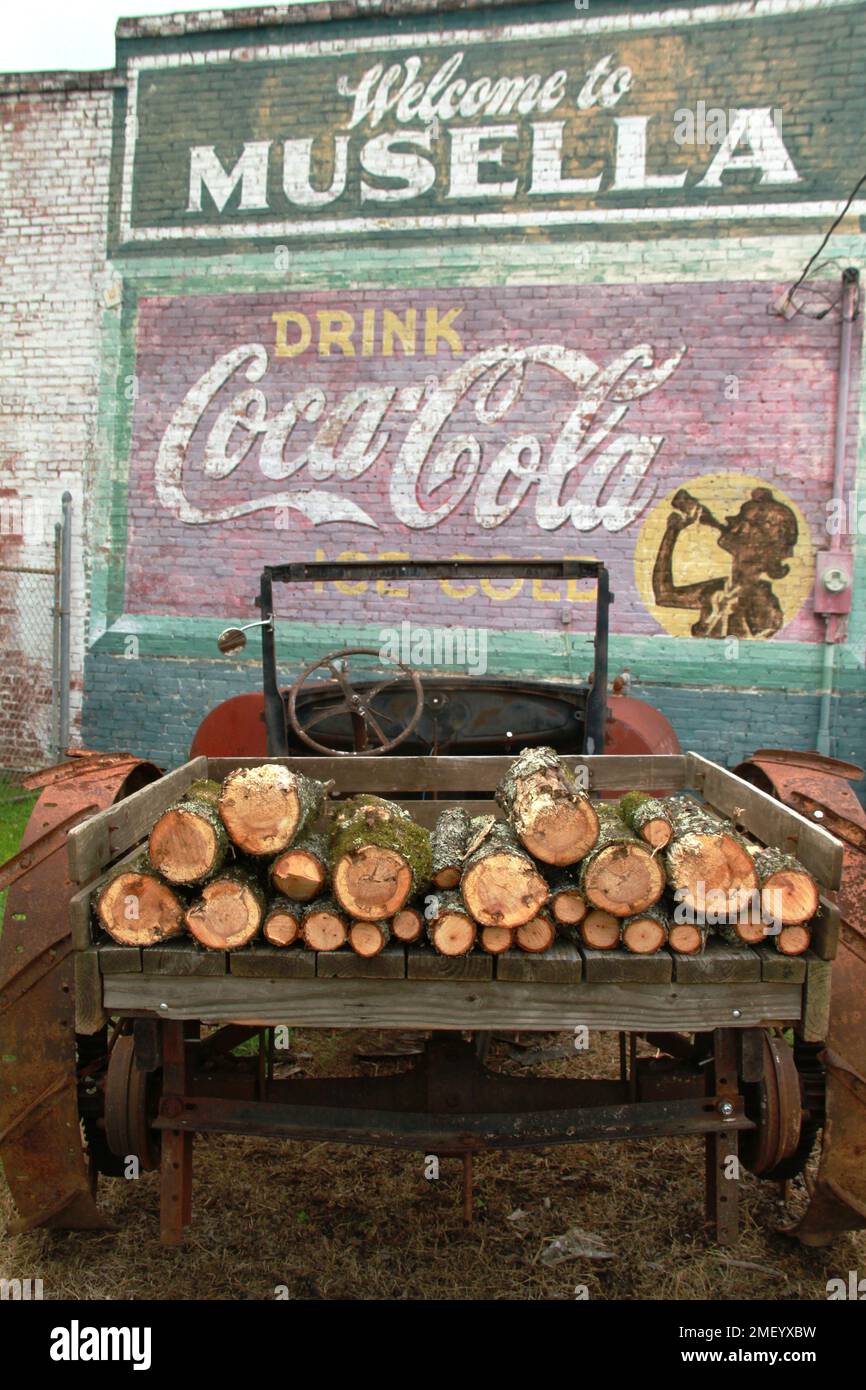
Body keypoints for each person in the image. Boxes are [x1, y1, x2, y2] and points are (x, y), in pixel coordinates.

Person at [651, 486, 798, 638]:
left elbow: (753, 651)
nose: (729, 521)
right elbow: (664, 596)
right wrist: (672, 531)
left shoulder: (762, 602)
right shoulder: (722, 589)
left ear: (760, 541)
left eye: (742, 520)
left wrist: (724, 617)